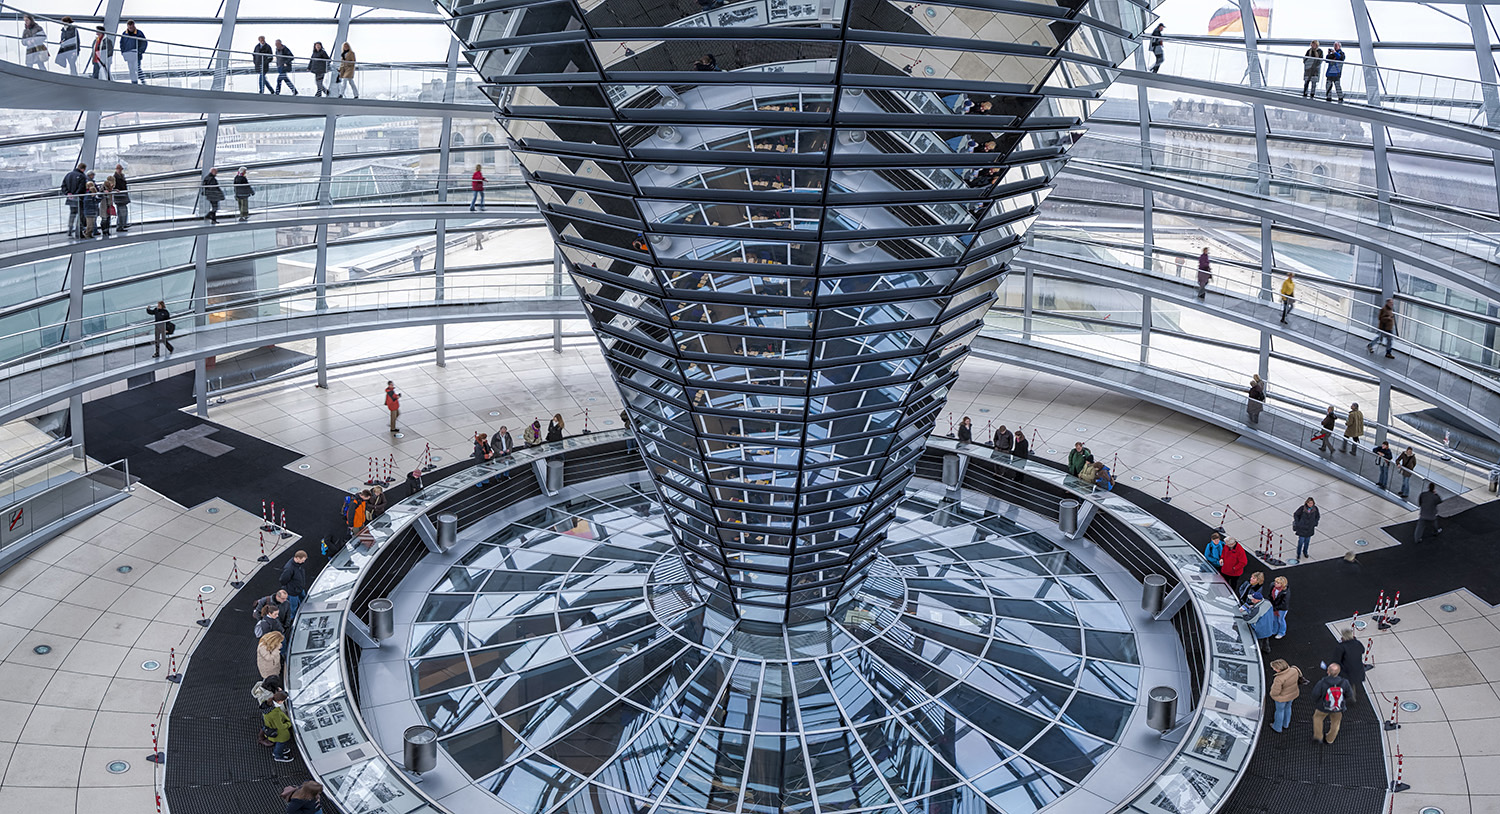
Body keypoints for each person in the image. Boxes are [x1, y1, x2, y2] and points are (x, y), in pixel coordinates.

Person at [1311, 663, 1352, 744]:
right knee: (1335, 723)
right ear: (1338, 672)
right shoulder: (1345, 682)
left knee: (1317, 718)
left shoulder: (1322, 683)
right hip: (1338, 707)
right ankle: (1330, 739)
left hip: (1323, 707)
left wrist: (1318, 702)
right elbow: (1349, 694)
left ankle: (1318, 737)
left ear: (1328, 671)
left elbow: (1315, 694)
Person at [1329, 629, 1367, 703]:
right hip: (1358, 670)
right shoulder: (1357, 643)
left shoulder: (1341, 647)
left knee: (1342, 684)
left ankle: (1343, 698)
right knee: (1352, 683)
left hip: (1346, 671)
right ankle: (1352, 696)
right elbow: (1362, 650)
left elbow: (1336, 660)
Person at [1268, 658, 1303, 733]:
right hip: (1292, 694)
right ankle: (1286, 724)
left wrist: (1272, 694)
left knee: (1279, 711)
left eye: (1274, 668)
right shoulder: (1294, 670)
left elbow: (1275, 692)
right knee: (1288, 708)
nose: (1273, 669)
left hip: (1282, 698)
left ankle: (1277, 727)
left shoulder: (1279, 678)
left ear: (1279, 669)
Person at [262, 691, 295, 762]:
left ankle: (278, 751)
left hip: (270, 727)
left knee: (279, 743)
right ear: (280, 701)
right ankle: (278, 755)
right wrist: (289, 723)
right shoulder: (275, 714)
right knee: (281, 743)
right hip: (279, 733)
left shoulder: (267, 704)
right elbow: (281, 727)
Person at [60, 162, 88, 239]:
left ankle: (69, 230)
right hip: (79, 199)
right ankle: (78, 232)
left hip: (70, 199)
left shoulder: (68, 175)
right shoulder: (82, 176)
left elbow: (63, 186)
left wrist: (68, 194)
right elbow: (82, 188)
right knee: (80, 215)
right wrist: (76, 194)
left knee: (72, 214)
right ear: (83, 169)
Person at [279, 550, 309, 621]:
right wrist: (291, 587)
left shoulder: (298, 564)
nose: (303, 562)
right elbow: (283, 580)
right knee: (293, 607)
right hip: (293, 592)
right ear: (297, 558)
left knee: (304, 600)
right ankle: (294, 619)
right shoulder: (289, 568)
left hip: (299, 589)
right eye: (302, 560)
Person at [111, 164, 131, 231]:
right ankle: (120, 226)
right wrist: (115, 190)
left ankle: (123, 224)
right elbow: (112, 187)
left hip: (122, 196)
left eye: (121, 169)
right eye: (119, 169)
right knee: (121, 212)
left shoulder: (121, 176)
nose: (120, 170)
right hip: (119, 197)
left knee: (123, 211)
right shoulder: (115, 177)